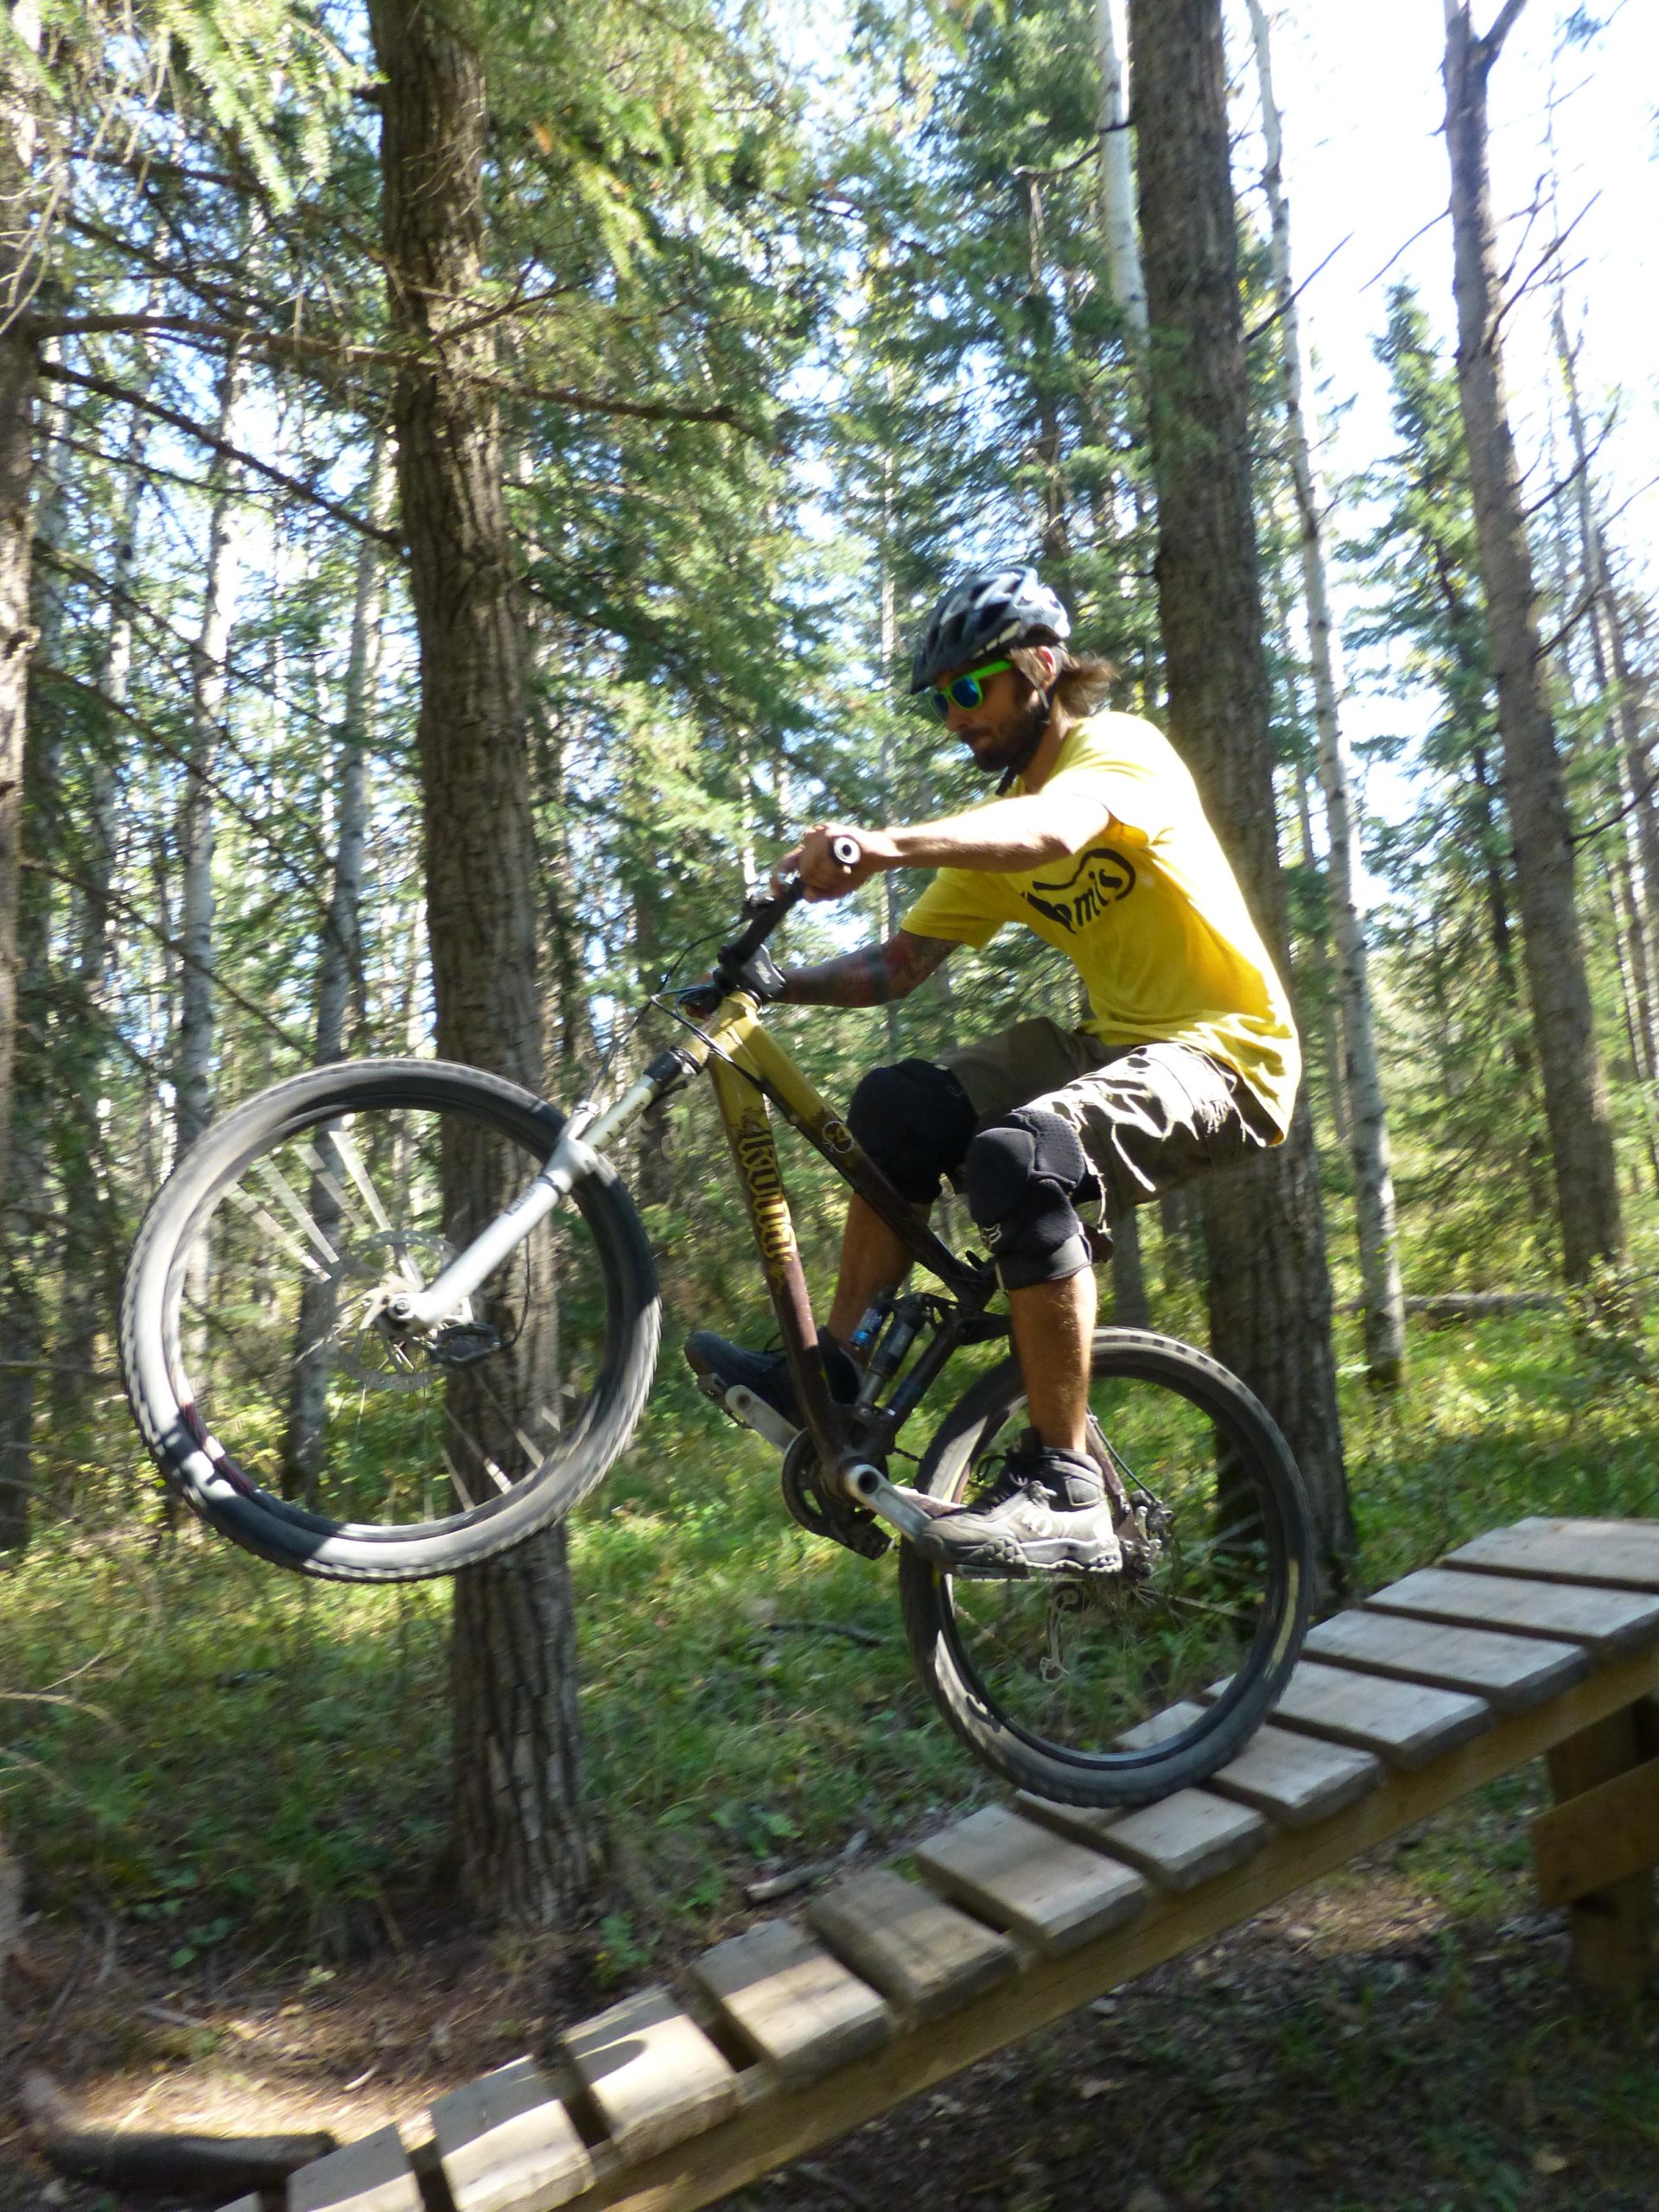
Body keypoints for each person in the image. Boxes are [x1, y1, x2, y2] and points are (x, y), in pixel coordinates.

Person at [686, 564, 1300, 1576]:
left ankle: (1068, 1490)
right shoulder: (1002, 819)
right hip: (1117, 1043)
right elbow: (895, 968)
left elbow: (1053, 831)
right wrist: (767, 982)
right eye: (941, 702)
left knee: (1021, 1156)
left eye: (971, 690)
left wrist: (881, 845)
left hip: (1227, 1056)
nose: (955, 718)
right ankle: (832, 1372)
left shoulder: (1117, 753)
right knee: (899, 1106)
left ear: (1042, 670)